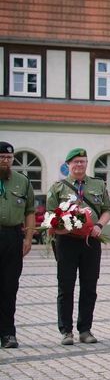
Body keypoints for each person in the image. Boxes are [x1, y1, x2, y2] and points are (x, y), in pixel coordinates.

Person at [47, 148, 110, 346]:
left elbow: (107, 210)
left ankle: (85, 329)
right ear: (68, 165)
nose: (79, 165)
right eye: (75, 162)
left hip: (91, 241)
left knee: (89, 286)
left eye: (83, 161)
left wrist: (99, 225)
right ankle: (66, 331)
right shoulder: (58, 187)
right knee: (65, 286)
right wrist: (61, 228)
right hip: (67, 241)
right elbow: (50, 215)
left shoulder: (98, 184)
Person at [0, 141, 36, 349]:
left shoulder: (22, 181)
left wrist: (28, 238)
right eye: (1, 158)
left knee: (9, 286)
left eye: (8, 158)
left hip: (13, 237)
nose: (5, 161)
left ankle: (8, 333)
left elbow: (30, 211)